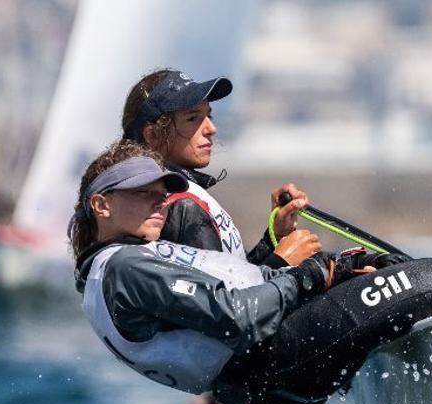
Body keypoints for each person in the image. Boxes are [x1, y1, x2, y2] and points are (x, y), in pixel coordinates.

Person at [71, 142, 432, 404]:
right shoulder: (124, 269)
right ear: (101, 205)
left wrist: (333, 270)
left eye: (160, 191)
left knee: (381, 267)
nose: (158, 201)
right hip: (273, 368)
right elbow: (237, 316)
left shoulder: (131, 261)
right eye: (141, 192)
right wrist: (312, 274)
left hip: (268, 380)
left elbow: (242, 285)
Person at [120, 68, 318, 268]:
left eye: (209, 116)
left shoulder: (165, 197)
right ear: (153, 135)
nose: (211, 129)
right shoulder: (180, 206)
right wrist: (283, 261)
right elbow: (218, 297)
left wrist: (275, 236)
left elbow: (236, 277)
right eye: (192, 118)